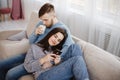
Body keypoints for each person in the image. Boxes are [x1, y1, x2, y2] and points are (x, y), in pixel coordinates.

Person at [0, 3, 74, 80]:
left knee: (10, 74)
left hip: (40, 59)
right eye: (42, 20)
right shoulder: (41, 24)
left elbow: (69, 47)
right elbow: (31, 42)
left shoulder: (63, 29)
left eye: (46, 20)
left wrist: (51, 61)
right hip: (31, 53)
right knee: (1, 65)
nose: (43, 22)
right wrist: (35, 33)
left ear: (54, 16)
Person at [24, 28, 89, 80]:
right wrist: (43, 60)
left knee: (75, 47)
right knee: (77, 59)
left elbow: (60, 68)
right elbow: (27, 67)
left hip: (55, 72)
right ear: (50, 34)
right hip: (42, 76)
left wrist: (57, 63)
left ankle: (78, 75)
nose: (55, 40)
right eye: (55, 36)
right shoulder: (34, 47)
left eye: (58, 40)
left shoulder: (56, 51)